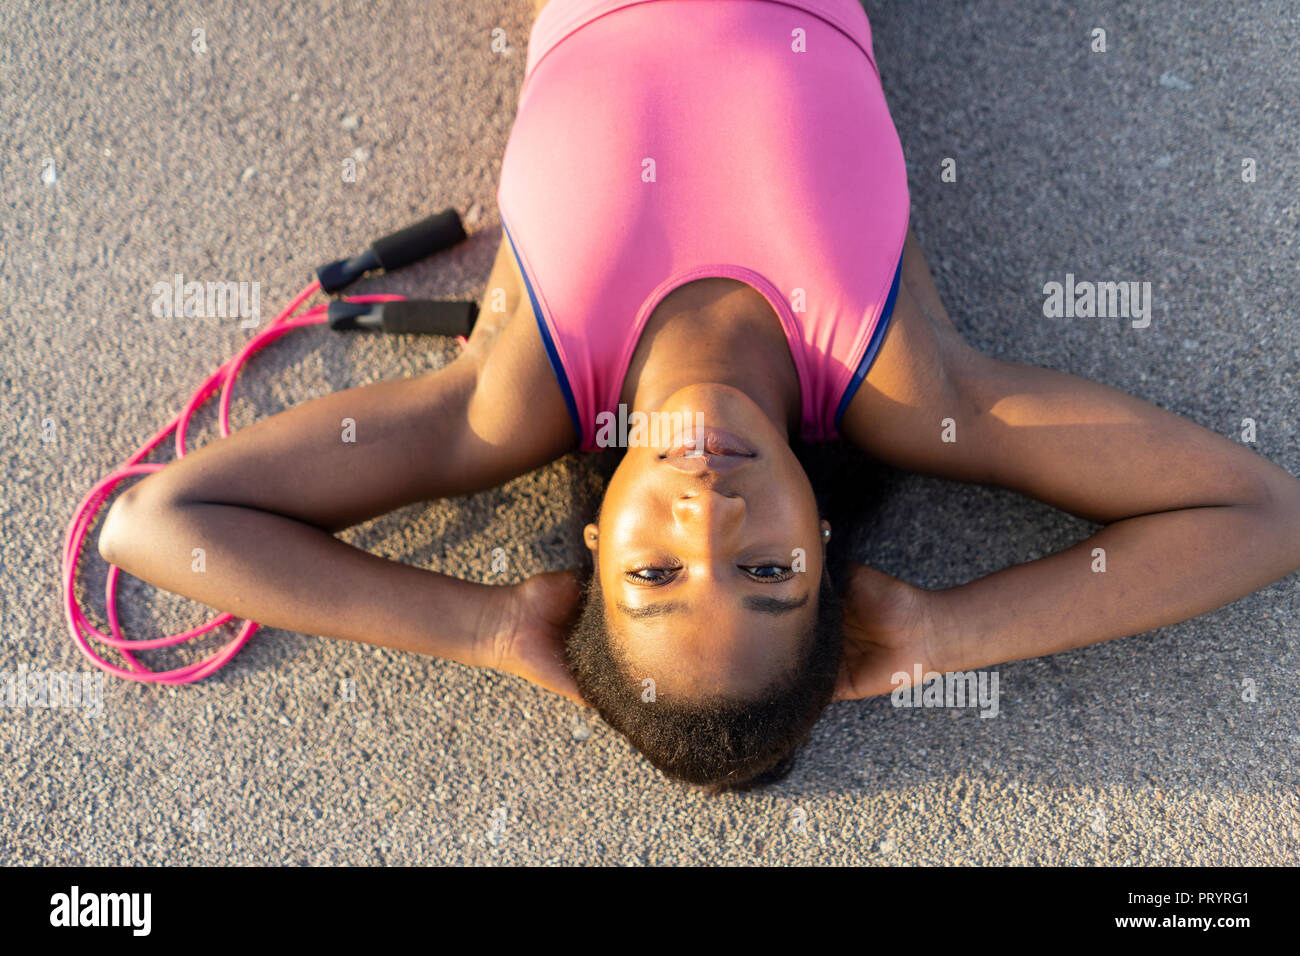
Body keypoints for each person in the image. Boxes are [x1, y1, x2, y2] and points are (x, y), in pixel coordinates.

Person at [97, 0, 1300, 791]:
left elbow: (154, 524)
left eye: (655, 574)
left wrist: (486, 627)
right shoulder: (908, 387)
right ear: (826, 551)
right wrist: (950, 630)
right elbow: (1259, 514)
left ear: (587, 551)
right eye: (771, 573)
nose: (712, 518)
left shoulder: (509, 397)